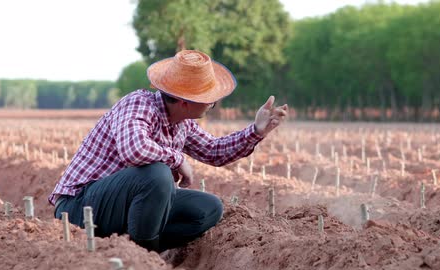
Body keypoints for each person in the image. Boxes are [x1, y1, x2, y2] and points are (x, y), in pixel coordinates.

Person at [49, 49, 287, 252]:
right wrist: (176, 159)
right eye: (209, 100)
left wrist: (257, 130)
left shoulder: (182, 123)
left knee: (208, 208)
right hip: (79, 208)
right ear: (185, 102)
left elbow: (215, 151)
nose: (212, 105)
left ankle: (133, 245)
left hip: (123, 208)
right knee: (157, 174)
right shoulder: (138, 104)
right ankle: (145, 255)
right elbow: (134, 150)